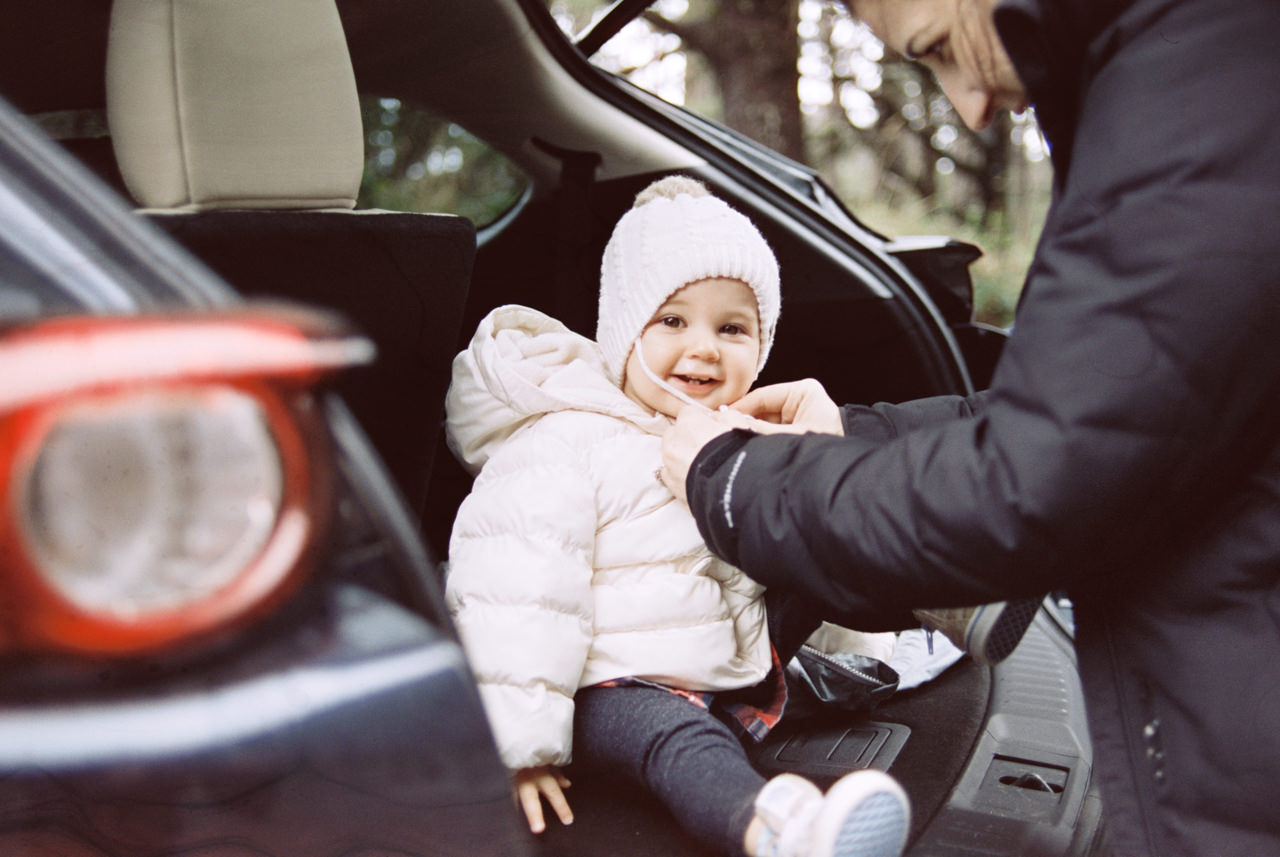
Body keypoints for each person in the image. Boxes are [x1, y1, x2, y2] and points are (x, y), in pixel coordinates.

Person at [660, 1, 1280, 856]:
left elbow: (1037, 484)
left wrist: (732, 481)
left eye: (942, 48)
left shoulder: (1201, 92)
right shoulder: (1205, 66)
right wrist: (850, 433)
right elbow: (1100, 411)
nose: (970, 106)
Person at [443, 176, 912, 857]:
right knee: (679, 740)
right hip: (611, 682)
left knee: (816, 527)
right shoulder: (565, 438)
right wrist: (519, 744)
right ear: (622, 329)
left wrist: (858, 644)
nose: (703, 347)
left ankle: (951, 596)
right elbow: (516, 591)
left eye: (732, 327)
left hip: (721, 656)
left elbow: (786, 553)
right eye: (671, 320)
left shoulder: (734, 439)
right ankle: (776, 826)